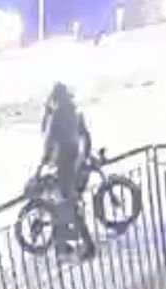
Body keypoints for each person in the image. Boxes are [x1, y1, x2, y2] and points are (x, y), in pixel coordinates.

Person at [40, 82, 95, 259]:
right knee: (66, 203)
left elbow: (48, 141)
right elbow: (85, 135)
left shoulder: (55, 116)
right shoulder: (75, 112)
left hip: (63, 164)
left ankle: (85, 246)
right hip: (75, 161)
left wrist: (44, 161)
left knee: (65, 205)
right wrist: (84, 156)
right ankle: (62, 245)